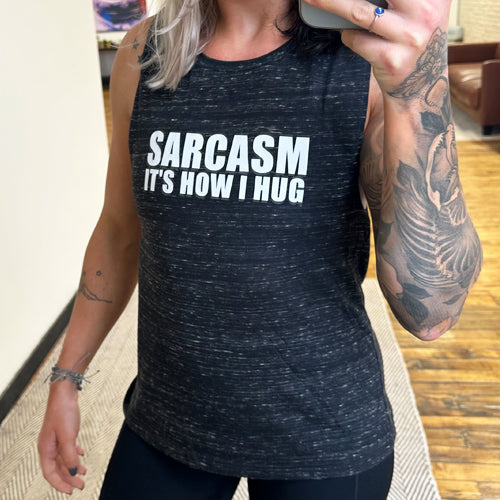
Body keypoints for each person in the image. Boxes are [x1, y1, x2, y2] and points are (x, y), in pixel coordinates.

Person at [38, 0, 482, 498]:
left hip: (322, 432)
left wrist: (415, 91)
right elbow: (118, 230)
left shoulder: (367, 60)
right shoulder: (144, 52)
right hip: (170, 414)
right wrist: (65, 378)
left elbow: (431, 310)